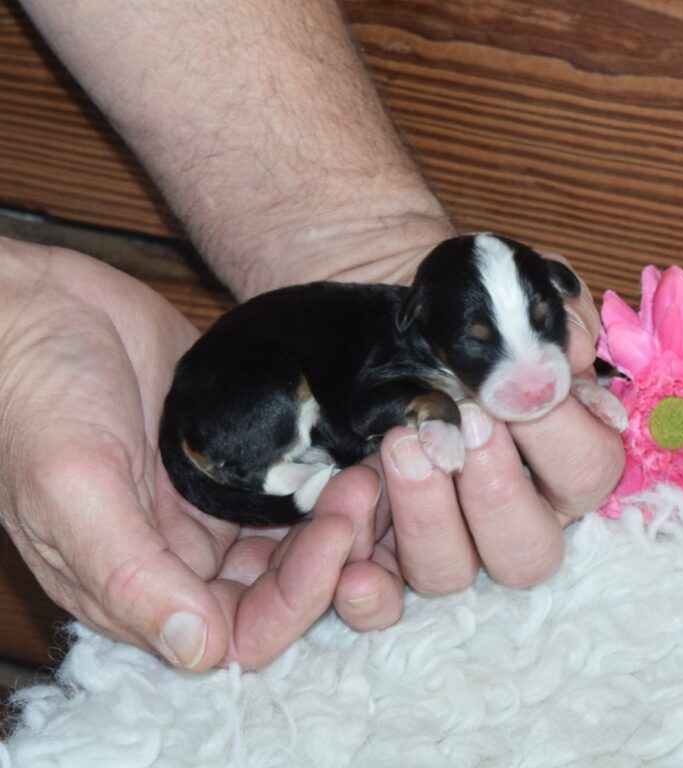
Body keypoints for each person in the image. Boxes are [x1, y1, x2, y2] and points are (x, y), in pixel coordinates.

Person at [1, 0, 624, 671]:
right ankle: (267, 469)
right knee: (293, 407)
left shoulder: (424, 324)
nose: (533, 376)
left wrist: (353, 230)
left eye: (541, 327)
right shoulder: (407, 352)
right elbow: (376, 406)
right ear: (425, 326)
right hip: (239, 391)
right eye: (481, 342)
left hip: (270, 364)